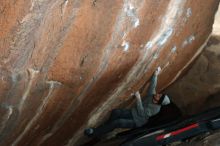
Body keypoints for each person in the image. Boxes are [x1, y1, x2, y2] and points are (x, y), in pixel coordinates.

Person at [84, 67, 170, 137]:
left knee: (118, 122)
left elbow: (141, 113)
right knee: (116, 112)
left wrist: (138, 98)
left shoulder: (156, 109)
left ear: (159, 102)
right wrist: (155, 75)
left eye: (159, 96)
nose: (158, 94)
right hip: (133, 112)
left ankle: (93, 133)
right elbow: (153, 85)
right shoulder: (152, 95)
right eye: (160, 94)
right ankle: (105, 129)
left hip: (137, 121)